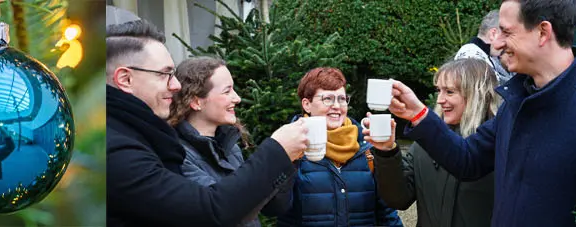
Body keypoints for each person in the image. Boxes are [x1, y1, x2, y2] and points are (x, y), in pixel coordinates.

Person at [364, 0, 576, 225]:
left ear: (543, 32)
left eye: (507, 33)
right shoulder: (517, 101)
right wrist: (418, 113)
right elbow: (467, 159)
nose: (496, 44)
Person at [105, 19, 311, 226]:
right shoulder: (117, 148)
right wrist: (278, 150)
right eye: (165, 74)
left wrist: (287, 157)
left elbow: (271, 206)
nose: (176, 85)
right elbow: (209, 211)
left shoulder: (227, 146)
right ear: (125, 79)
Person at [372, 58, 501, 227]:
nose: (440, 99)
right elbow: (398, 199)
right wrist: (386, 152)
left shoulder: (498, 145)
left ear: (476, 94)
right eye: (439, 90)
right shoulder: (425, 143)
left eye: (449, 92)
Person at [168, 57, 293, 227]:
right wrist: (276, 152)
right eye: (227, 91)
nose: (237, 98)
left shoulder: (231, 147)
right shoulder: (178, 155)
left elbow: (275, 207)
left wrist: (288, 160)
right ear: (196, 101)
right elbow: (225, 210)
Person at [276, 67, 403, 227]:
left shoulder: (366, 147)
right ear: (307, 104)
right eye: (328, 99)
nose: (337, 106)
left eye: (342, 99)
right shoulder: (291, 148)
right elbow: (277, 208)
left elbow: (387, 213)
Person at [453, 10, 514, 84]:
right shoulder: (471, 56)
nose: (509, 42)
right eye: (507, 35)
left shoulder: (485, 54)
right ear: (493, 34)